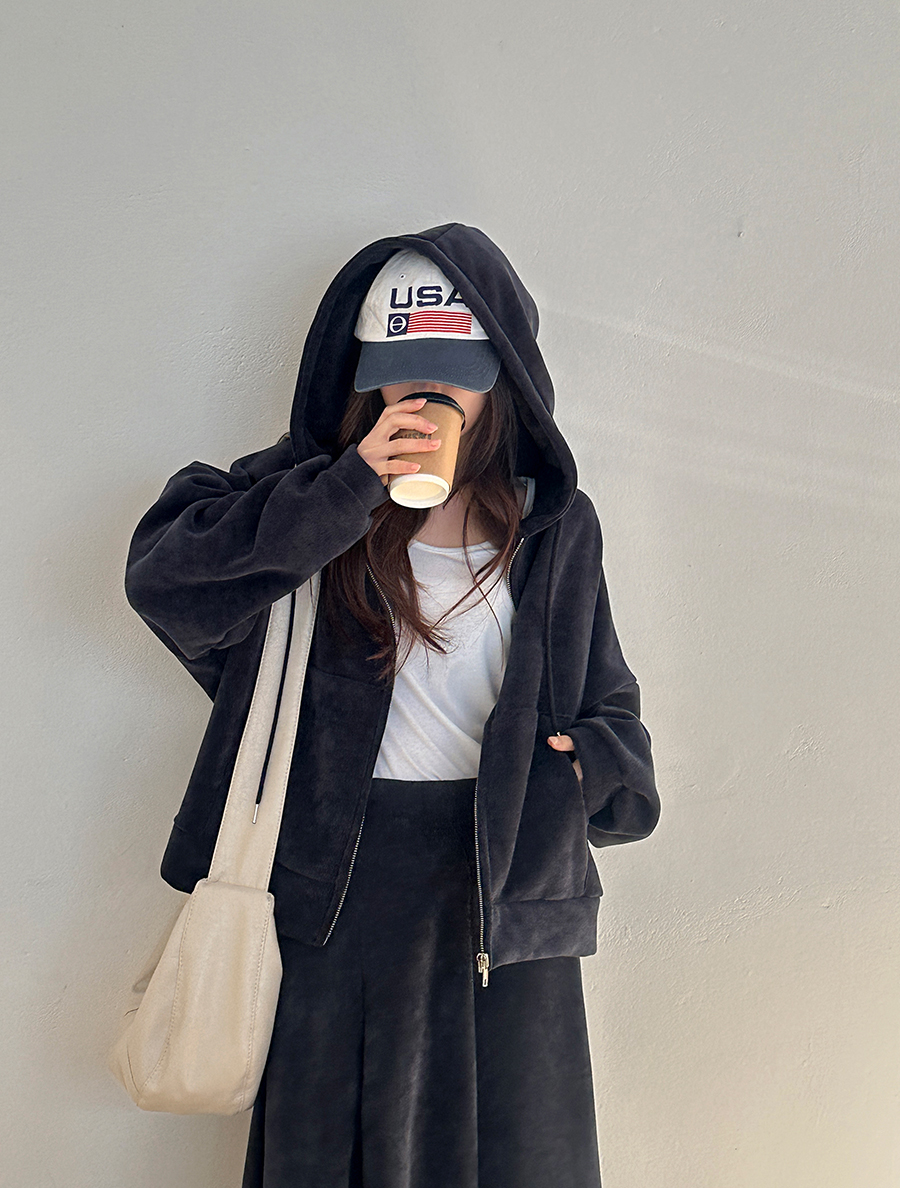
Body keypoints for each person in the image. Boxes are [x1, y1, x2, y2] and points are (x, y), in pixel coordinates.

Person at [124, 222, 660, 1188]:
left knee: (519, 1153)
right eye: (400, 375)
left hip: (504, 883)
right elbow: (168, 585)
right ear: (364, 374)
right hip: (339, 877)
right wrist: (350, 486)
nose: (424, 397)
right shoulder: (303, 493)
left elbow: (606, 692)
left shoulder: (552, 522)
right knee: (332, 1151)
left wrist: (595, 765)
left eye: (451, 377)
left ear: (501, 376)